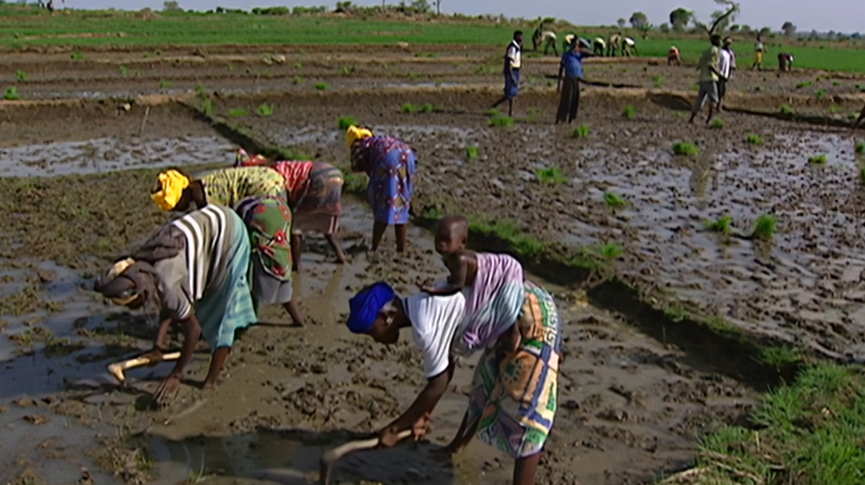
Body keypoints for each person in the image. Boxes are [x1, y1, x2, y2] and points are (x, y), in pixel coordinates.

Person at [344, 278, 560, 485]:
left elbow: (437, 384)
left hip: (531, 314)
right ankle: (456, 447)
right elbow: (446, 369)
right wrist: (420, 416)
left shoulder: (425, 326)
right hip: (510, 310)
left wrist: (394, 429)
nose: (375, 339)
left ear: (387, 317)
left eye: (372, 332)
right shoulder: (425, 301)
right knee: (486, 381)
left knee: (529, 415)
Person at [93, 205, 257, 407]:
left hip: (230, 235)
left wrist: (176, 374)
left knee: (220, 313)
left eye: (132, 304)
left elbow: (193, 330)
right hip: (211, 223)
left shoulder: (165, 281)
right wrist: (158, 347)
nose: (132, 309)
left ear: (140, 293)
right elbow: (168, 304)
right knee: (198, 306)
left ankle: (210, 382)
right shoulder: (144, 261)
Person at [150, 168, 305, 326]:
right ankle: (296, 319)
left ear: (182, 196)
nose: (178, 211)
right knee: (273, 262)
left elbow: (219, 227)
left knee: (256, 261)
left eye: (176, 206)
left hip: (263, 202)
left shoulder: (202, 199)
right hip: (275, 188)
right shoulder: (202, 183)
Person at [420, 215, 525, 353]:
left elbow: (457, 286)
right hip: (491, 271)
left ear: (461, 244)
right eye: (438, 238)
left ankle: (513, 331)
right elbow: (458, 279)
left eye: (446, 240)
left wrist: (434, 291)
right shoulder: (449, 257)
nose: (441, 244)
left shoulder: (460, 260)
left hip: (505, 272)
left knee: (505, 307)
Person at [234, 149, 349, 268]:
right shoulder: (280, 166)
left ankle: (296, 266)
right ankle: (341, 257)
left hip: (315, 178)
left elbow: (282, 200)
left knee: (295, 227)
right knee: (327, 223)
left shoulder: (269, 176)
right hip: (332, 173)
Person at [346, 125, 417, 253]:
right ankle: (401, 249)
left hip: (389, 161)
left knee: (383, 205)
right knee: (401, 205)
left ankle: (374, 248)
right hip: (408, 156)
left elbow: (357, 168)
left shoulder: (359, 147)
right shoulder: (376, 141)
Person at [556, 36, 592, 124]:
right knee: (566, 99)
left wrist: (580, 50)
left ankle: (571, 118)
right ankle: (561, 118)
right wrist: (559, 84)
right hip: (568, 78)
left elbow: (591, 53)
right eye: (574, 43)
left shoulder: (579, 54)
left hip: (577, 79)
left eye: (577, 44)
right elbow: (561, 69)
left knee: (575, 99)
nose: (575, 45)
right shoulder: (566, 55)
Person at [688, 35, 723, 125]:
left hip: (702, 78)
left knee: (700, 100)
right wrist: (719, 74)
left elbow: (699, 65)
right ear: (716, 41)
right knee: (714, 100)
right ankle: (709, 120)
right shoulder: (715, 50)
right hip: (710, 78)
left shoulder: (705, 52)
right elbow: (710, 65)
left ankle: (692, 118)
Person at [490, 30, 523, 117]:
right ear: (516, 37)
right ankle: (510, 112)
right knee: (512, 93)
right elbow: (508, 61)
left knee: (511, 92)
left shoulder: (517, 47)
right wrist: (511, 75)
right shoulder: (513, 48)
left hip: (515, 70)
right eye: (520, 36)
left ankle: (495, 106)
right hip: (512, 70)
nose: (522, 38)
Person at [717, 38, 734, 111]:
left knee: (722, 90)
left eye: (729, 44)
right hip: (719, 74)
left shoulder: (730, 53)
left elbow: (731, 64)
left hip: (725, 75)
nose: (729, 45)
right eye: (727, 44)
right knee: (719, 90)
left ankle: (719, 104)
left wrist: (730, 74)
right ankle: (717, 105)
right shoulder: (721, 52)